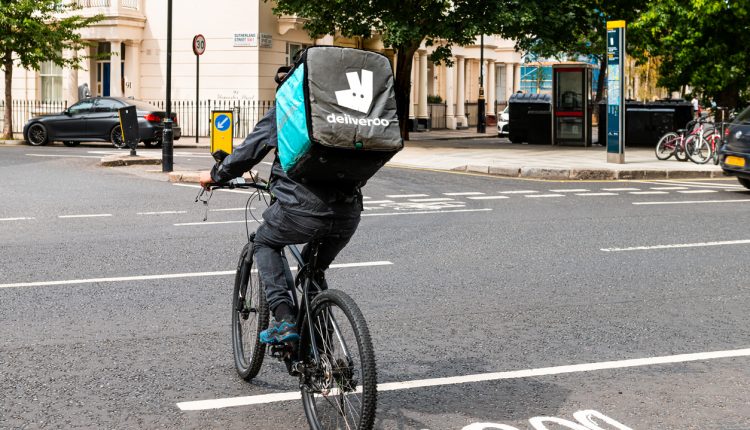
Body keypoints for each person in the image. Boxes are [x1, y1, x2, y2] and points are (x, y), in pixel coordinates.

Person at [200, 105, 362, 345]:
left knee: (264, 241)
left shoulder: (292, 103)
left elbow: (250, 151)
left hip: (301, 207)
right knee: (313, 270)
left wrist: (216, 175)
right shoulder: (347, 108)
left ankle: (284, 320)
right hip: (348, 210)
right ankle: (322, 347)